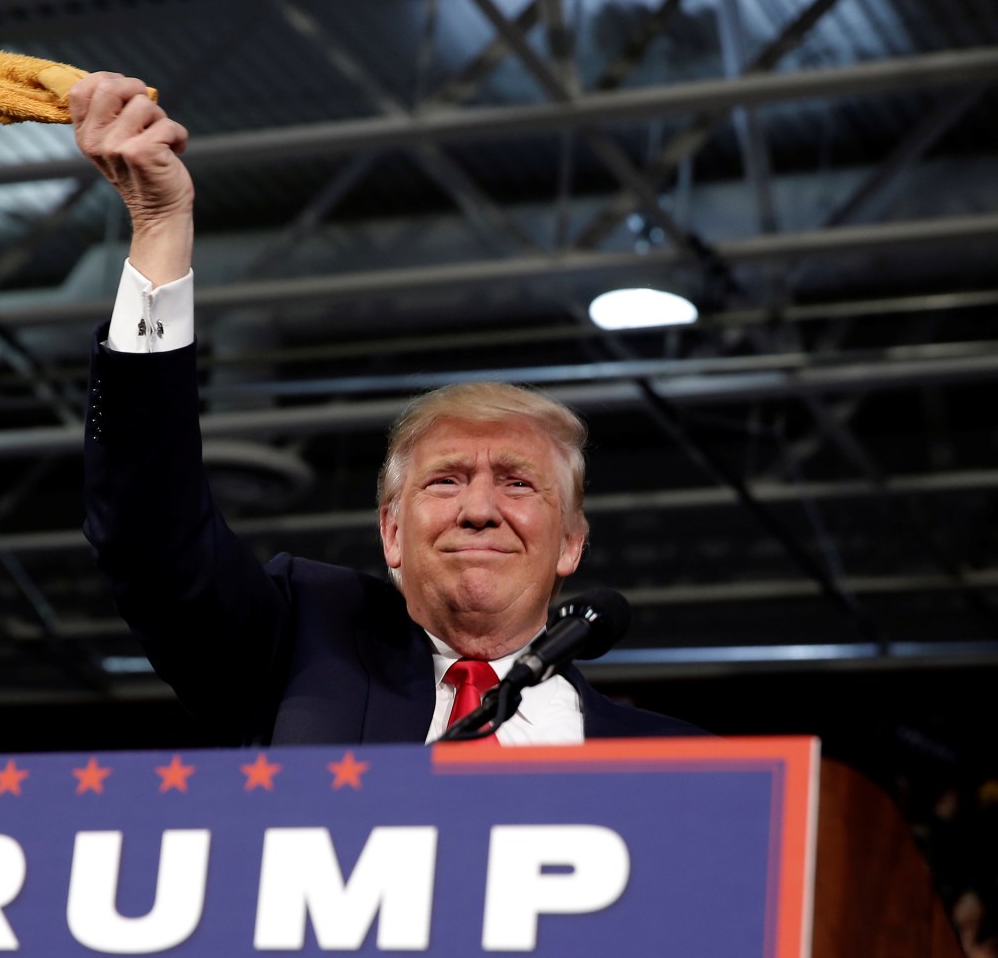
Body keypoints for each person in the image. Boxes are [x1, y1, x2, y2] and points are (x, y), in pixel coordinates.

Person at [73, 72, 701, 746]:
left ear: (572, 542)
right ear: (391, 533)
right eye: (446, 480)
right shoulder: (300, 651)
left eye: (518, 482)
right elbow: (151, 537)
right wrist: (161, 225)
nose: (481, 508)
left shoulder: (681, 765)